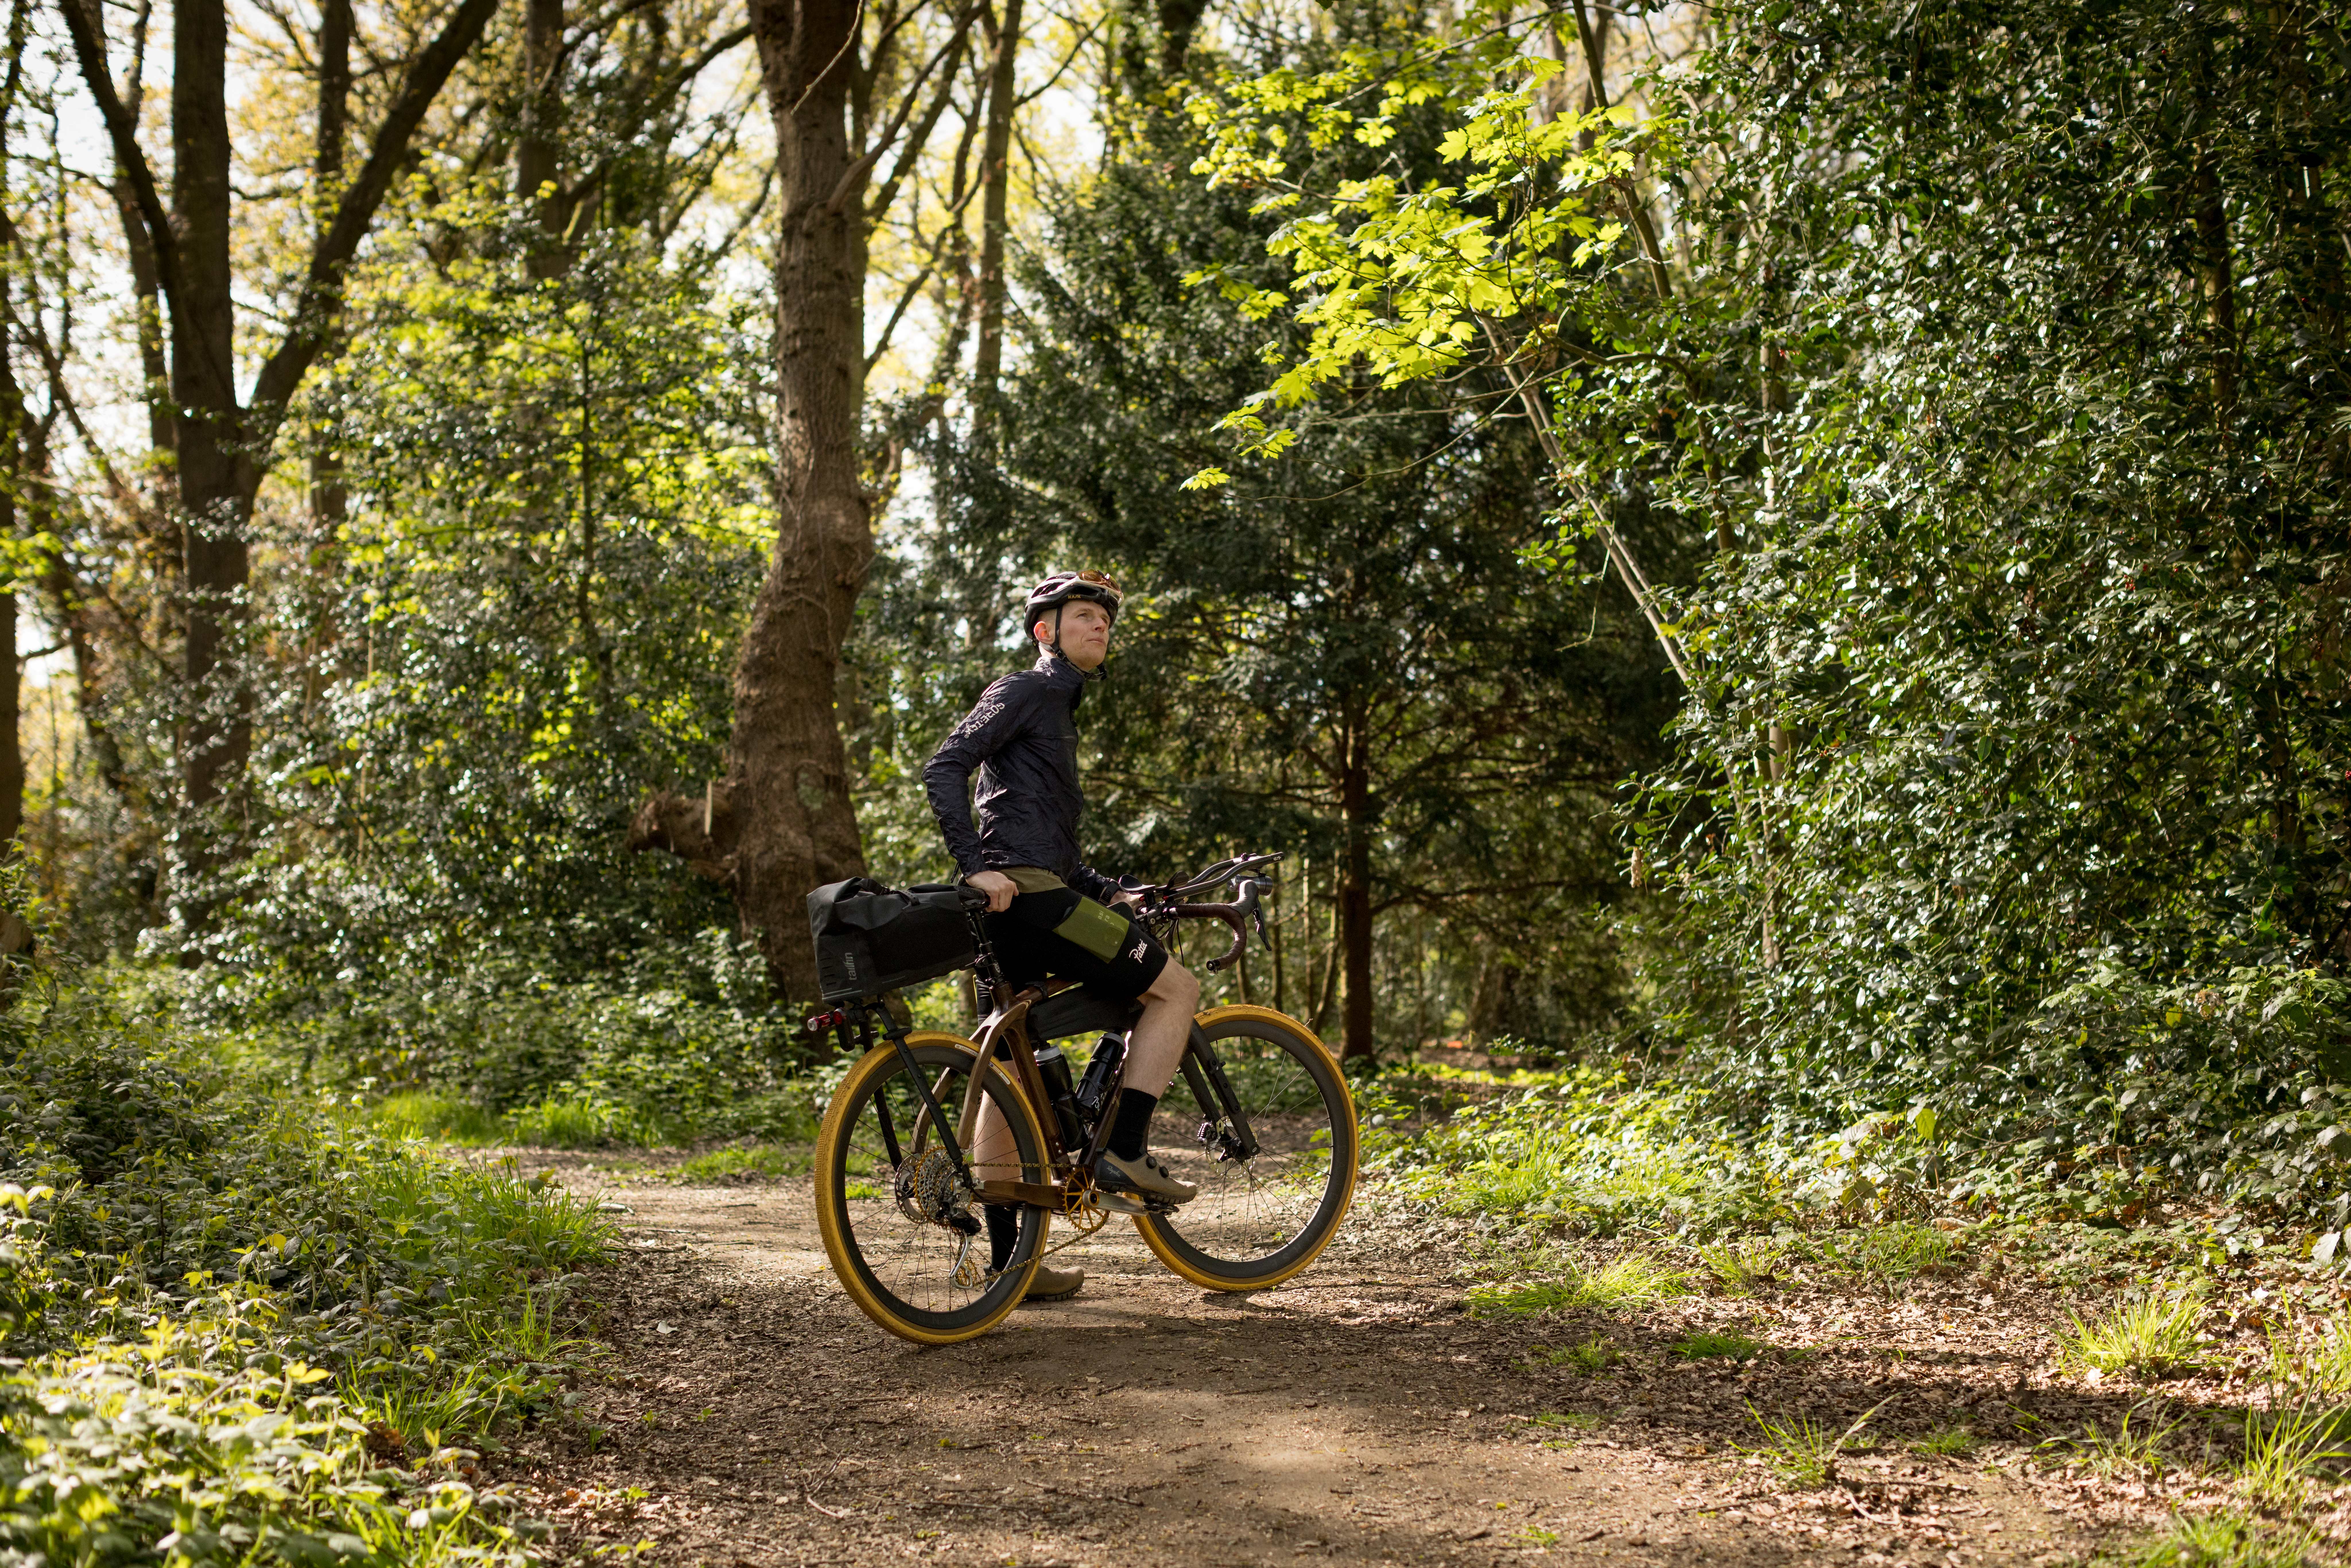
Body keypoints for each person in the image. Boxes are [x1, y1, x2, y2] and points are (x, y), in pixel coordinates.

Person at [922, 569, 1202, 1302]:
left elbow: (1053, 849)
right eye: (1083, 616)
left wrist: (1112, 890)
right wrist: (975, 866)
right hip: (1026, 898)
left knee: (1016, 1066)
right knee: (1176, 989)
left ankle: (1013, 1266)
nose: (1098, 627)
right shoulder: (1030, 689)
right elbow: (945, 764)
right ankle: (1125, 1151)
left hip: (1034, 890)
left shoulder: (1054, 711)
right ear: (1045, 630)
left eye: (1105, 620)